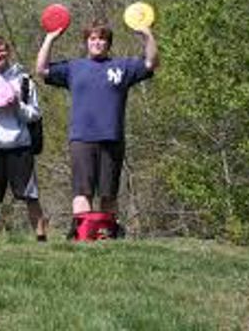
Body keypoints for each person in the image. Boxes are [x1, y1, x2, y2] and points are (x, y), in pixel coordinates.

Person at [35, 21, 159, 237]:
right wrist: (50, 38)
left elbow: (151, 63)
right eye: (93, 38)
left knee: (108, 193)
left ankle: (107, 234)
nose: (97, 42)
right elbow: (41, 69)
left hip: (112, 138)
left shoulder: (123, 66)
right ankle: (83, 234)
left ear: (108, 43)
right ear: (86, 42)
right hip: (82, 138)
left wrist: (147, 34)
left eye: (102, 39)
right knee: (82, 191)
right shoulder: (74, 67)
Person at [0, 35, 48, 244]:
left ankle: (41, 240)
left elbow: (35, 114)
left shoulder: (24, 81)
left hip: (20, 146)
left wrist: (16, 105)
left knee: (30, 196)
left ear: (8, 52)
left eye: (1, 51)